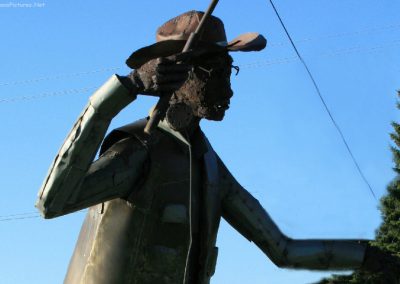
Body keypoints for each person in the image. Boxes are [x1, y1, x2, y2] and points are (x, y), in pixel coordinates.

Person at [36, 10, 399, 284]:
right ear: (179, 74)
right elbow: (52, 203)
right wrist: (126, 87)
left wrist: (368, 257)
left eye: (230, 72)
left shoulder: (210, 168)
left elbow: (282, 249)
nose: (228, 90)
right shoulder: (138, 152)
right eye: (215, 73)